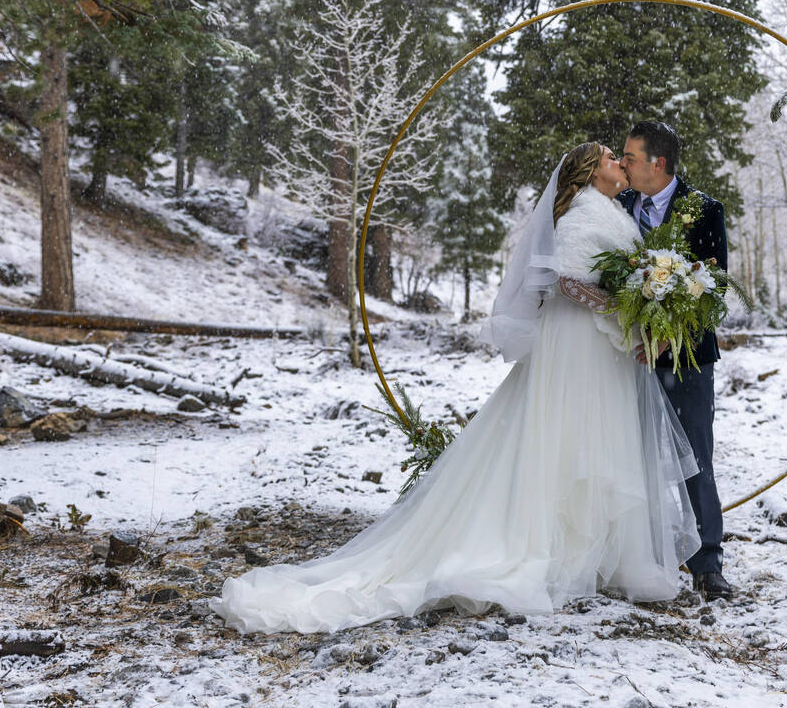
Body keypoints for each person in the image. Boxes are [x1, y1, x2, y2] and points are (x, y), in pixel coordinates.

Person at [210, 143, 701, 634]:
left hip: (601, 347)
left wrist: (642, 307)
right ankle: (549, 546)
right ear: (590, 172)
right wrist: (624, 305)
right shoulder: (576, 214)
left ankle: (596, 552)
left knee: (597, 436)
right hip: (574, 343)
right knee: (564, 432)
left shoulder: (616, 210)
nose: (619, 160)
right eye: (610, 156)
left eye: (622, 155)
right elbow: (568, 283)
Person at [617, 121, 733, 601]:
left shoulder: (704, 210)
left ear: (656, 164)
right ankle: (640, 554)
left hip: (686, 359)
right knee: (629, 457)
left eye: (630, 156)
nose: (622, 164)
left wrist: (670, 335)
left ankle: (707, 562)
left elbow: (714, 285)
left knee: (695, 458)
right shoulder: (617, 206)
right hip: (624, 357)